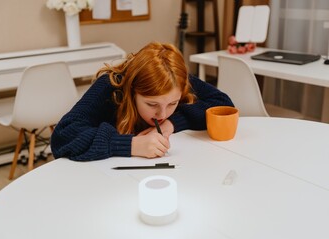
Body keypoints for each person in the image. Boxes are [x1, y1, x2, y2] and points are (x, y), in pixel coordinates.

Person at [51, 42, 234, 161]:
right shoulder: (110, 85)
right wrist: (131, 145)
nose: (162, 114)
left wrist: (172, 123)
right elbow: (62, 136)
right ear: (132, 91)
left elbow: (223, 105)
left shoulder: (175, 79)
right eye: (152, 104)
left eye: (172, 104)